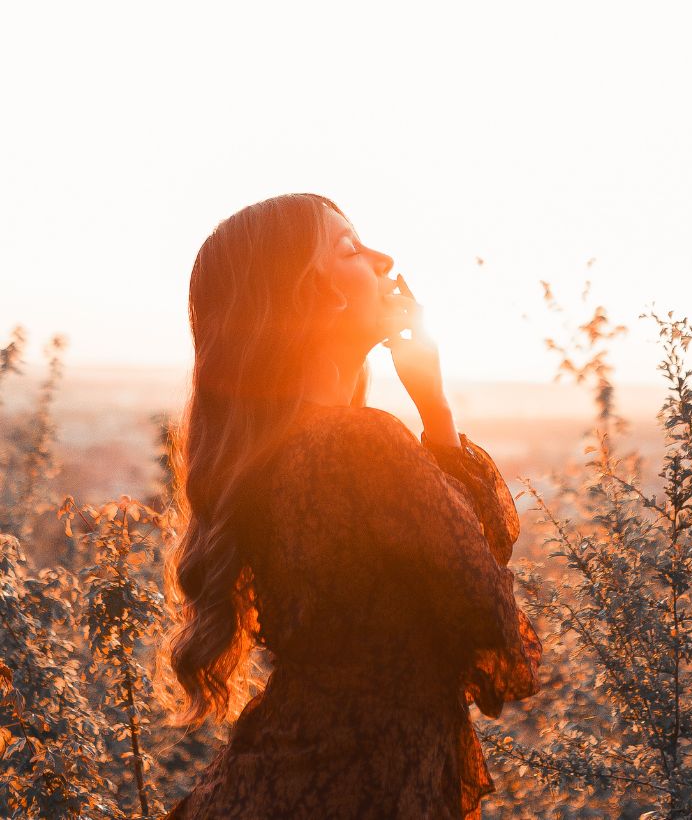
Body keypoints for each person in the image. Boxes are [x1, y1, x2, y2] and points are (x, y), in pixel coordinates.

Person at [161, 193, 541, 820]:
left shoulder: (280, 452)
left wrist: (434, 411)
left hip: (302, 779)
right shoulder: (361, 443)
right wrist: (436, 413)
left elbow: (471, 552)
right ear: (309, 294)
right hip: (357, 787)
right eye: (349, 248)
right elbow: (493, 621)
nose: (384, 258)